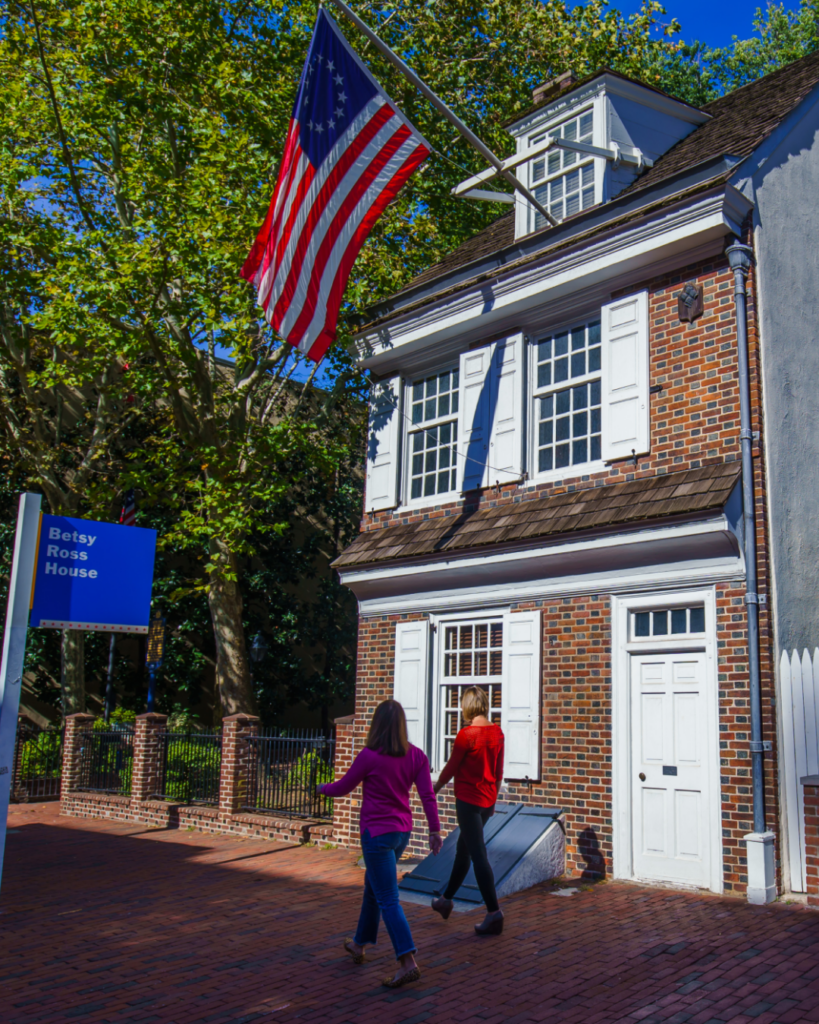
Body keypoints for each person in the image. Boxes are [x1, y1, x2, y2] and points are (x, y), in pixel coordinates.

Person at [318, 699, 443, 987]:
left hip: (376, 835)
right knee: (373, 887)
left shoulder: (369, 756)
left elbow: (343, 787)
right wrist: (435, 831)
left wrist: (321, 788)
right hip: (401, 834)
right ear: (401, 725)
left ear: (376, 725)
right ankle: (360, 943)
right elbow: (427, 797)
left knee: (388, 897)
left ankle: (407, 960)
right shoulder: (417, 757)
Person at [431, 685, 505, 935]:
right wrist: (493, 801)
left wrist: (436, 787)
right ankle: (446, 900)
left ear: (467, 706)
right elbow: (498, 772)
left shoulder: (466, 735)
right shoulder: (497, 733)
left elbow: (452, 767)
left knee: (478, 856)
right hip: (485, 802)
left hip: (468, 801)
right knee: (464, 850)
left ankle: (494, 912)